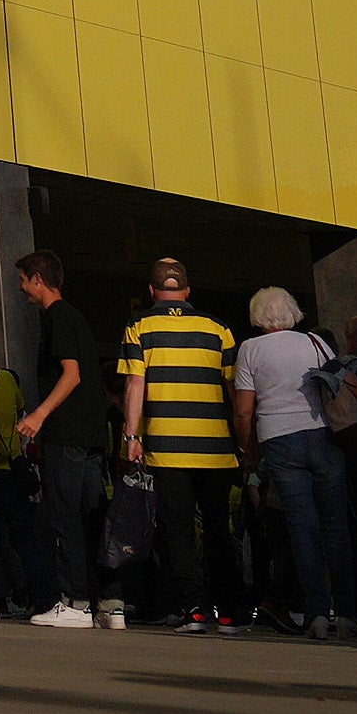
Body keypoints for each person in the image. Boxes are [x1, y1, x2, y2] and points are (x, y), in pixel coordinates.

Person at [116, 255, 243, 630]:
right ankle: (231, 611)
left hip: (167, 449)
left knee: (179, 531)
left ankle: (195, 609)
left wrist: (132, 436)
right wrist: (243, 441)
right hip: (216, 451)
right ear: (187, 290)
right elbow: (234, 390)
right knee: (219, 529)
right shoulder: (219, 329)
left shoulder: (139, 327)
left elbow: (135, 383)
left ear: (152, 291)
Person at [3, 250, 126, 624]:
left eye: (23, 279)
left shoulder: (56, 318)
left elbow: (71, 374)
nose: (21, 288)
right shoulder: (76, 317)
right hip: (91, 436)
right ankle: (110, 602)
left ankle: (74, 603)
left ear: (38, 279)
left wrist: (39, 415)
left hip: (66, 434)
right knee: (93, 518)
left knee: (65, 517)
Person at [231, 285, 350, 635]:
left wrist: (248, 450)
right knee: (336, 526)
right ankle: (346, 612)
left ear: (257, 316)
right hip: (322, 434)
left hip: (278, 440)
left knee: (302, 527)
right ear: (292, 312)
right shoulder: (316, 342)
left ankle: (316, 614)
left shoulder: (250, 349)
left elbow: (243, 411)